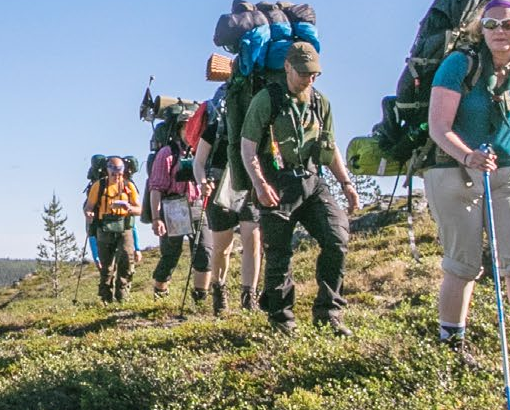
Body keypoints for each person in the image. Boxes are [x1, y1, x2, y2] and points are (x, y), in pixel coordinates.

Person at [424, 0, 510, 365]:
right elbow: (439, 126)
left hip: (507, 170)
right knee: (462, 263)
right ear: (479, 28)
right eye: (492, 24)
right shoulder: (459, 65)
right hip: (453, 173)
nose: (500, 31)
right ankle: (452, 346)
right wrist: (468, 156)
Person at [239, 40, 360, 335]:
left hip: (312, 180)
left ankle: (329, 313)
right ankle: (281, 320)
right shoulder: (267, 99)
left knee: (336, 238)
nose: (309, 79)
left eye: (314, 74)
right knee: (279, 252)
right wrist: (260, 184)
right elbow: (247, 147)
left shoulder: (321, 102)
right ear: (288, 67)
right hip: (276, 182)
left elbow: (330, 149)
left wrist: (346, 184)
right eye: (304, 72)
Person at [199, 88, 263, 314]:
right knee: (222, 248)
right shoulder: (215, 129)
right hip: (219, 188)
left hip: (248, 184)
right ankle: (219, 288)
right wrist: (202, 181)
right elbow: (199, 162)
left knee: (252, 241)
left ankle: (249, 296)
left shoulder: (256, 126)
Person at [147, 131, 209, 305]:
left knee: (204, 250)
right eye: (186, 126)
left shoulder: (202, 150)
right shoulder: (166, 153)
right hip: (173, 205)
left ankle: (200, 299)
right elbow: (156, 187)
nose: (193, 129)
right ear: (178, 130)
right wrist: (156, 218)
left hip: (197, 204)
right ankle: (160, 295)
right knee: (171, 254)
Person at [84, 157, 140, 303]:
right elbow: (89, 207)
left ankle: (123, 296)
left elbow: (139, 209)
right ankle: (105, 298)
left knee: (127, 261)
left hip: (124, 227)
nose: (116, 176)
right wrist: (89, 213)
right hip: (104, 227)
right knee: (107, 266)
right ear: (108, 170)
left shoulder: (129, 186)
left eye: (119, 173)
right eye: (113, 173)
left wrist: (129, 208)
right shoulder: (99, 186)